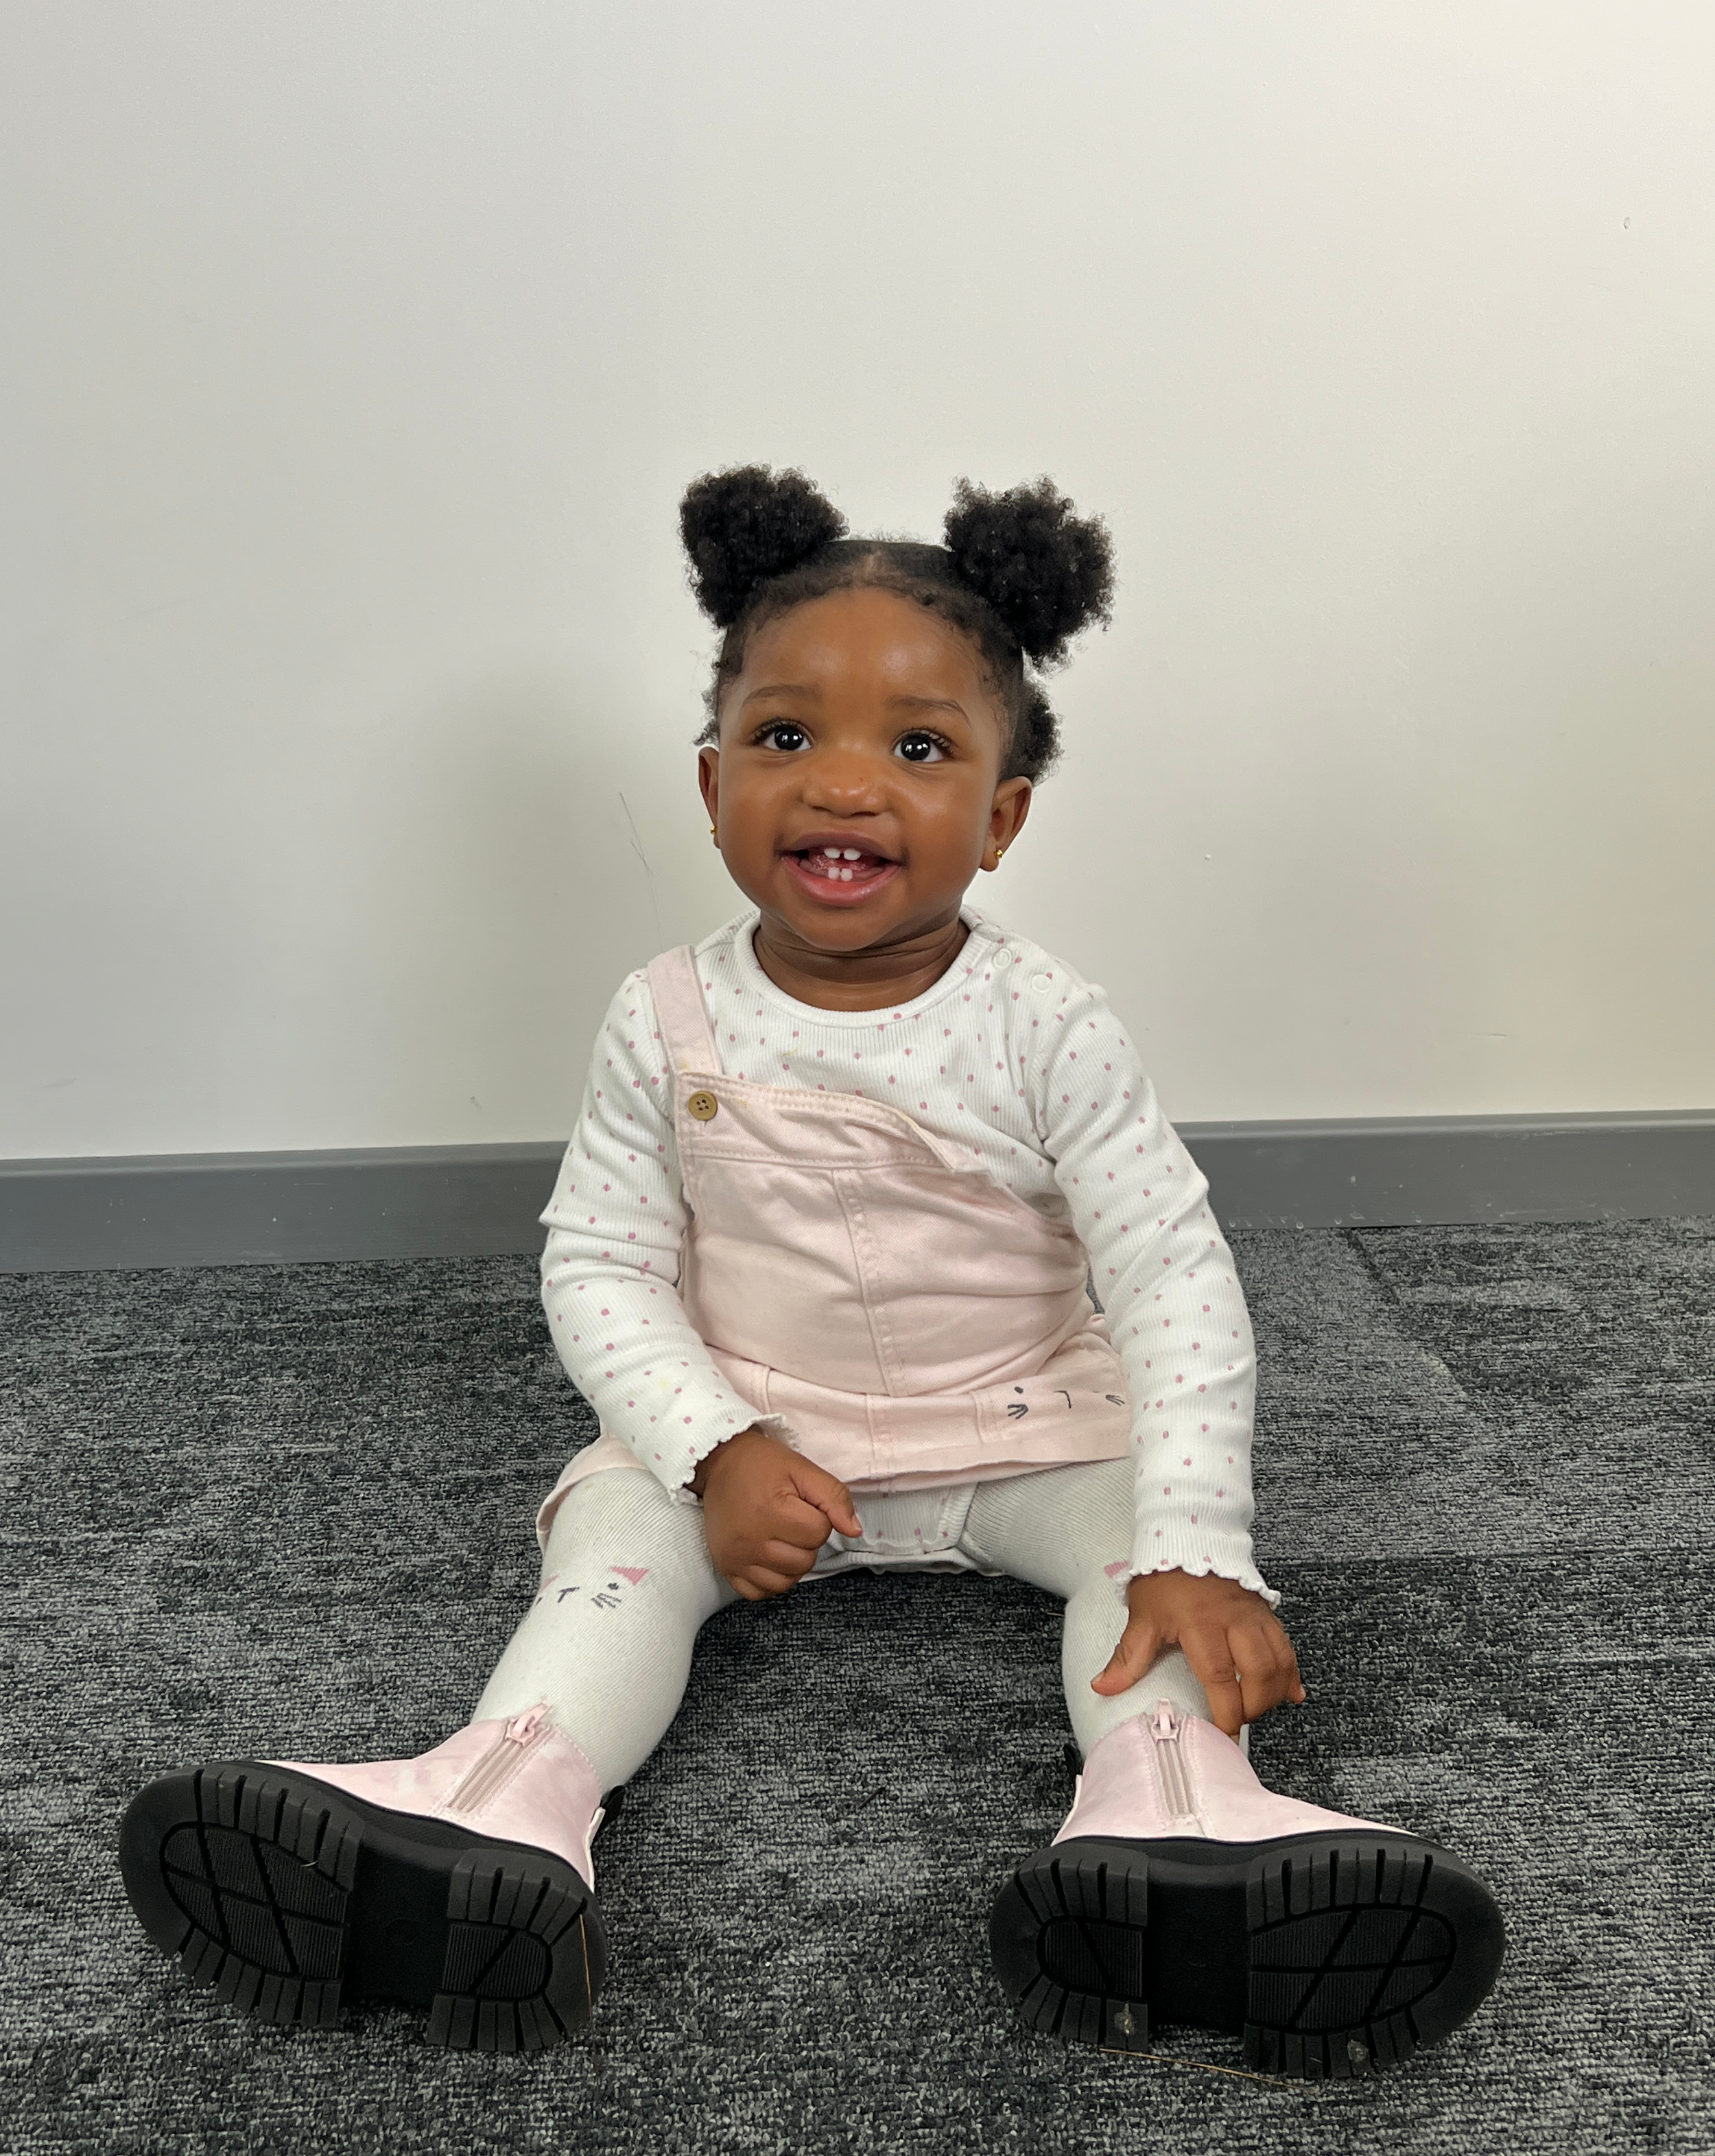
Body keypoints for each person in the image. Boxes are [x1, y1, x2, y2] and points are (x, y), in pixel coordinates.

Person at [119, 467, 1504, 2075]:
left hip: (1031, 1424)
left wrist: (1199, 1537)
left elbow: (1174, 1280)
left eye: (915, 749)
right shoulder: (664, 1014)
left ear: (1002, 813)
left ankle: (1175, 1818)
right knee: (613, 1558)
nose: (842, 787)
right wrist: (711, 1445)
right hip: (754, 1427)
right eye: (785, 739)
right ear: (709, 785)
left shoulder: (1046, 1023)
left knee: (1147, 1571)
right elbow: (600, 1264)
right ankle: (495, 1804)